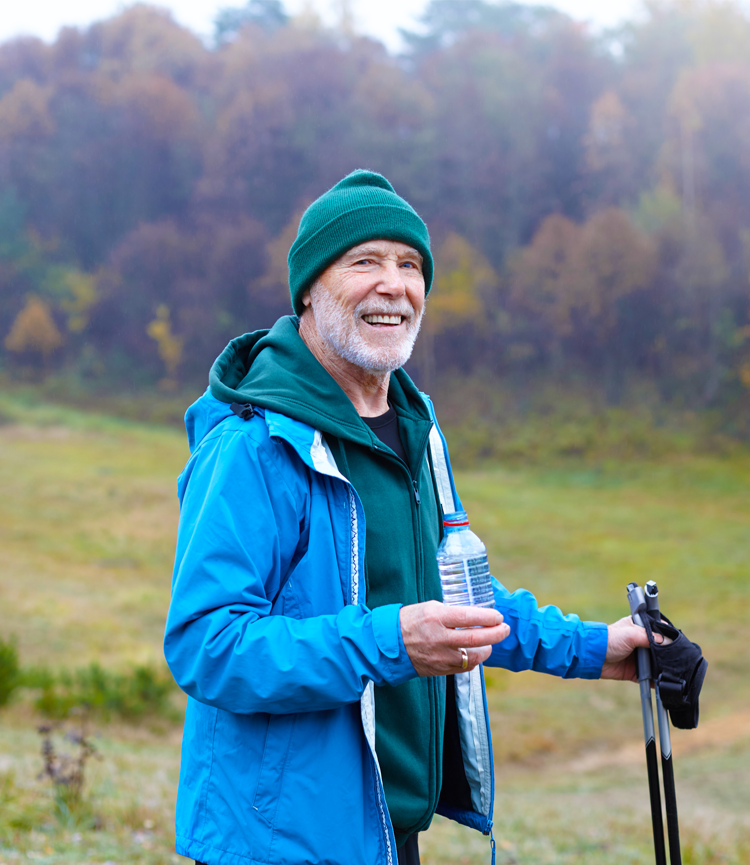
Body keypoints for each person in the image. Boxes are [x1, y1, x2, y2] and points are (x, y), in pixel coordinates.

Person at [164, 170, 651, 865]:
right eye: (364, 261)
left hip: (388, 834)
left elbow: (453, 604)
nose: (394, 285)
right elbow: (206, 645)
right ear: (309, 288)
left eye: (411, 265)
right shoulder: (252, 446)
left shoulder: (417, 434)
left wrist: (599, 648)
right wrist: (389, 640)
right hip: (275, 841)